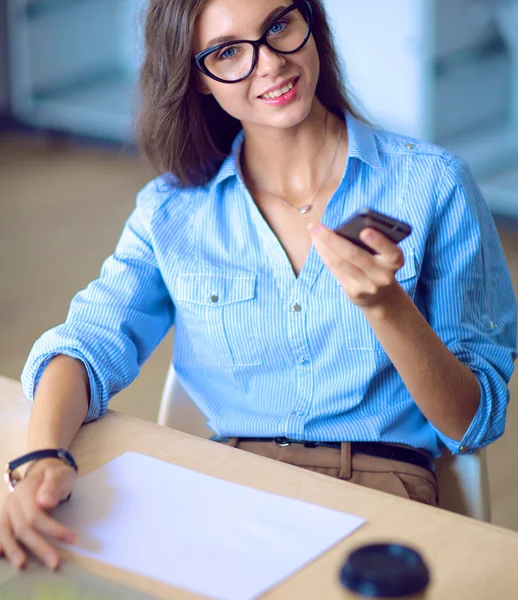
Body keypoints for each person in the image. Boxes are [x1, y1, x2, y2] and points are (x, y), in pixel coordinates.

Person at [1, 0, 516, 572]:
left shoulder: (433, 184)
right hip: (227, 488)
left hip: (381, 488)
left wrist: (385, 306)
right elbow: (85, 346)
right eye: (228, 52)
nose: (268, 63)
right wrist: (42, 455)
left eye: (278, 26)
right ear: (197, 77)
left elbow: (472, 420)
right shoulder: (172, 212)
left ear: (309, 22)